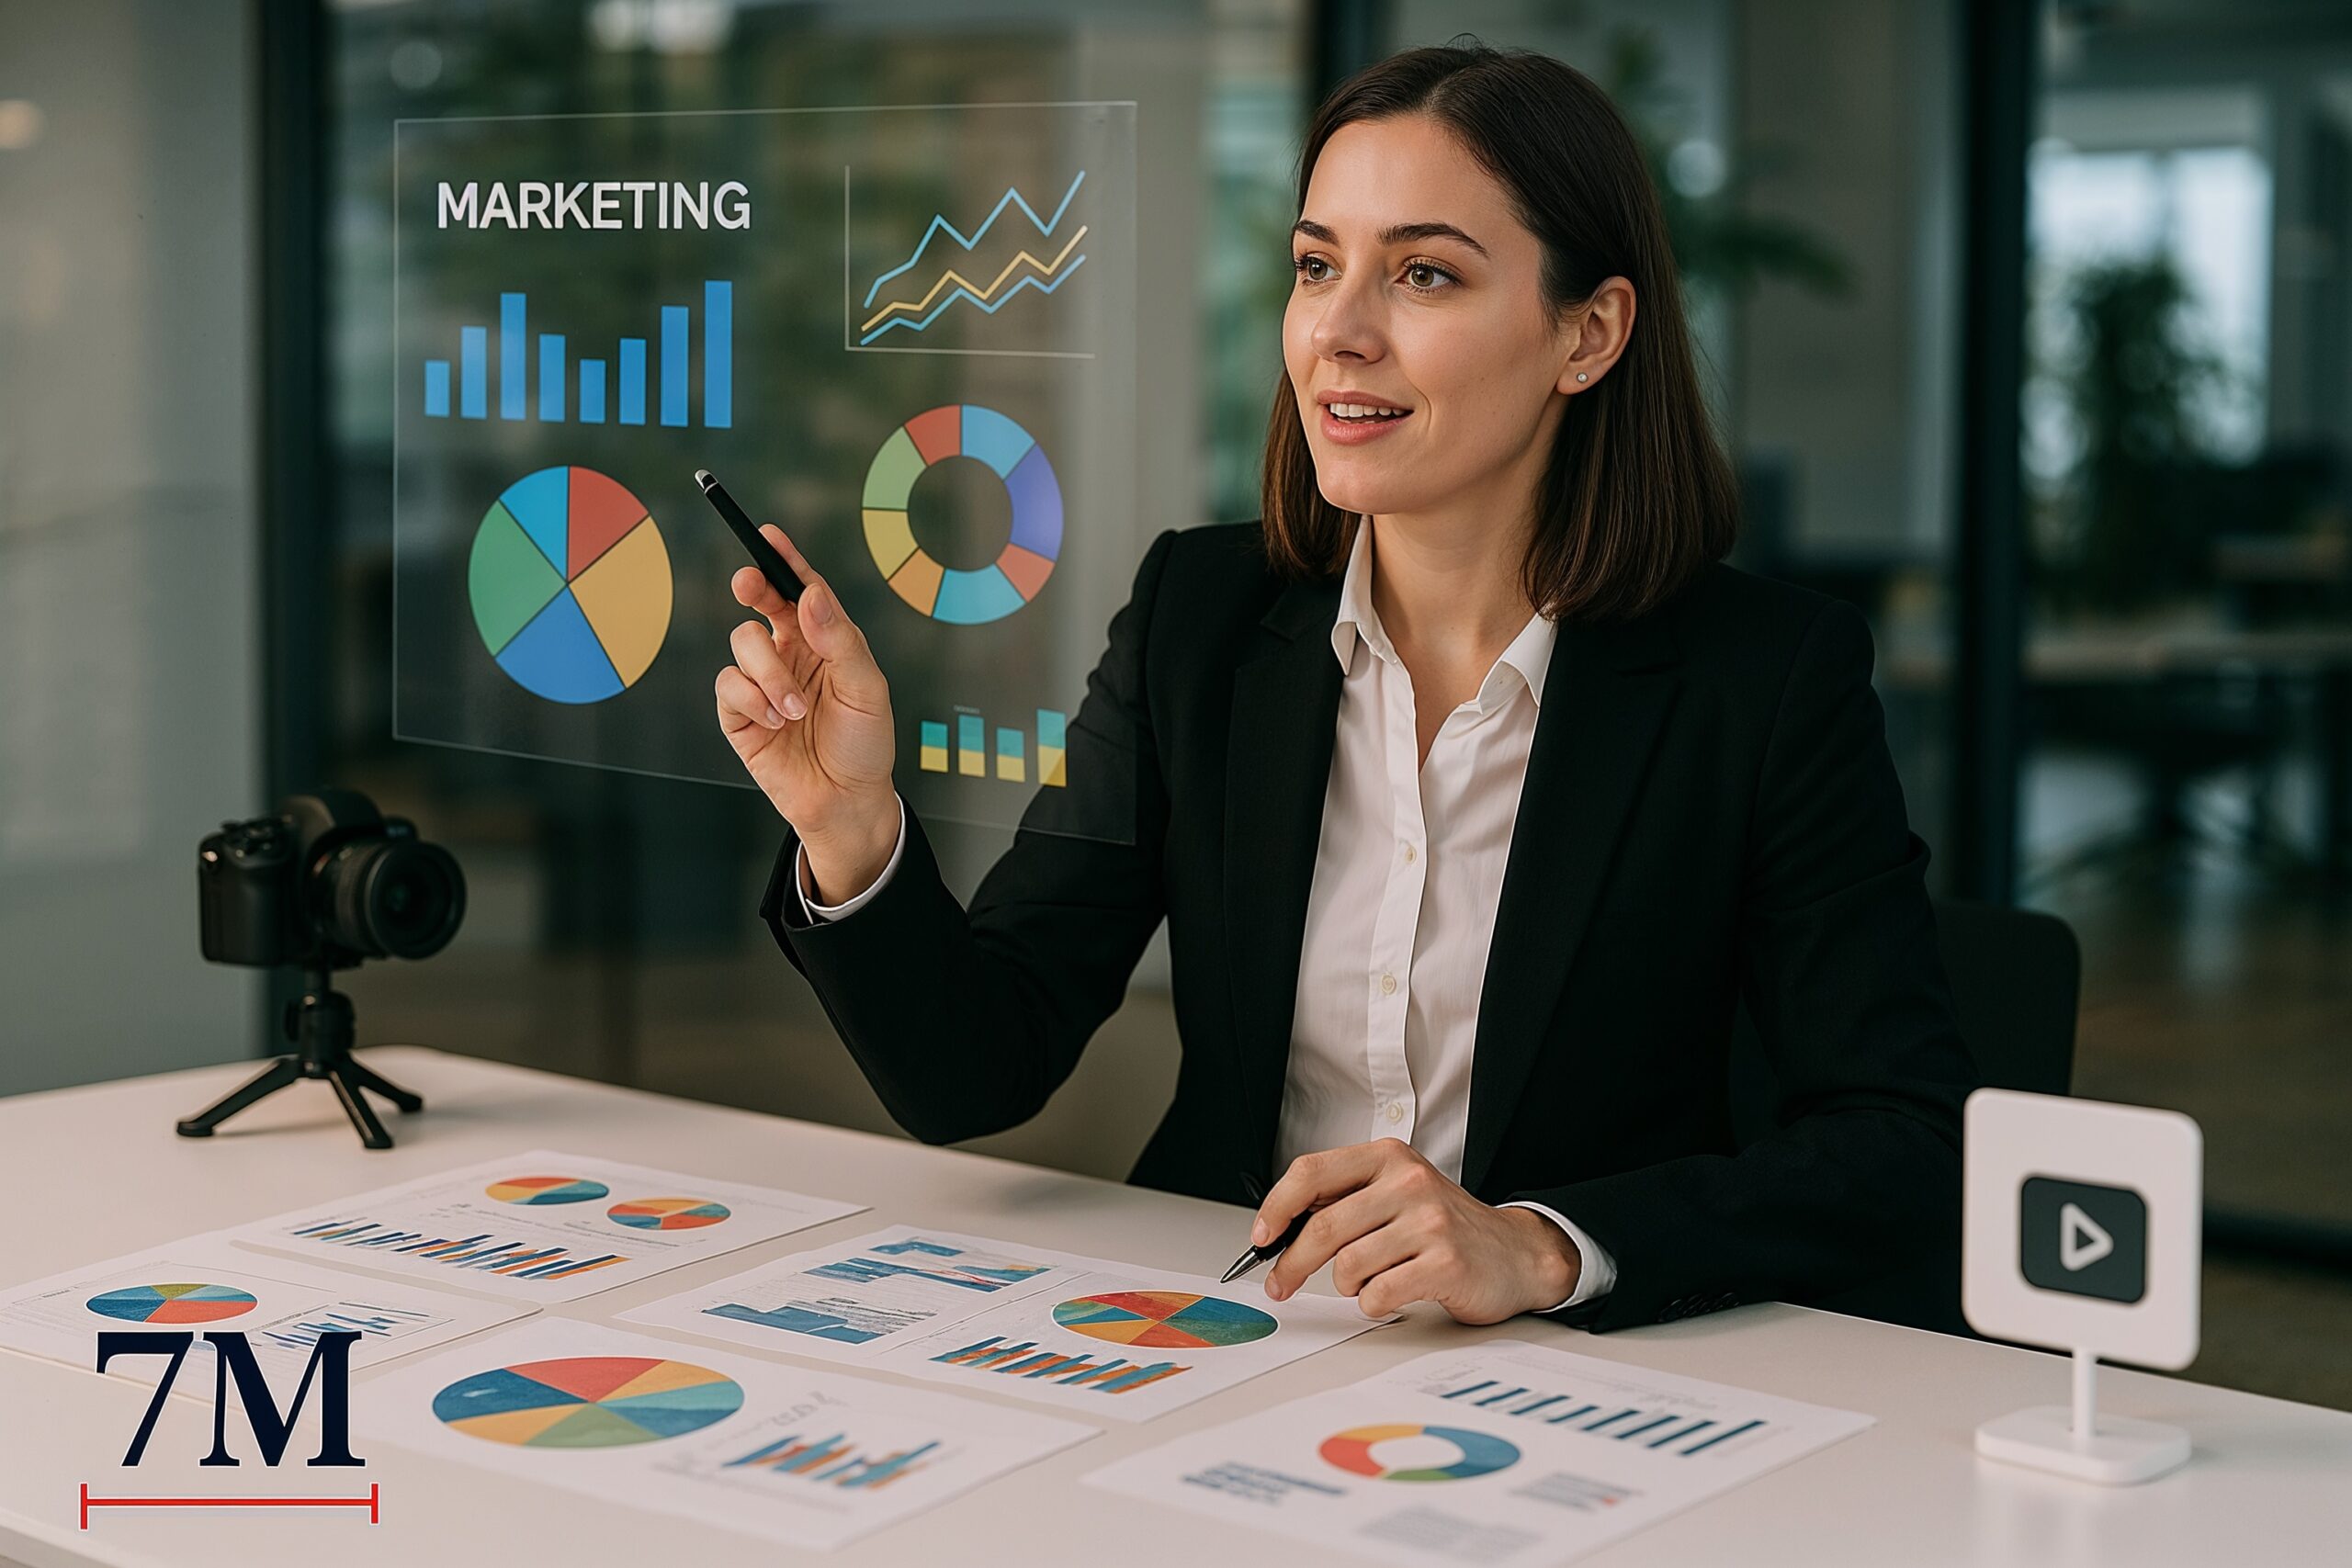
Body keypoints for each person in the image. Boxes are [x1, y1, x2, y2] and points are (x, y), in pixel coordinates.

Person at [715, 42, 1980, 1333]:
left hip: (1576, 1373)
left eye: (1424, 274)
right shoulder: (1199, 620)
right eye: (1318, 266)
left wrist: (1544, 1246)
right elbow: (975, 1070)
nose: (1338, 331)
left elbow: (1907, 1140)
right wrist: (850, 829)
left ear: (1588, 333)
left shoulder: (1763, 680)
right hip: (1237, 1328)